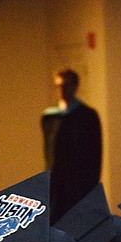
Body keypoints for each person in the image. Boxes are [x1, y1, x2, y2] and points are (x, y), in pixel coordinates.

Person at [42, 68, 102, 223]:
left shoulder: (87, 116)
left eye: (66, 85)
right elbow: (48, 153)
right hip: (56, 183)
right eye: (58, 86)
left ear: (75, 87)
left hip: (80, 183)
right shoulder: (50, 117)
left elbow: (95, 154)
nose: (62, 90)